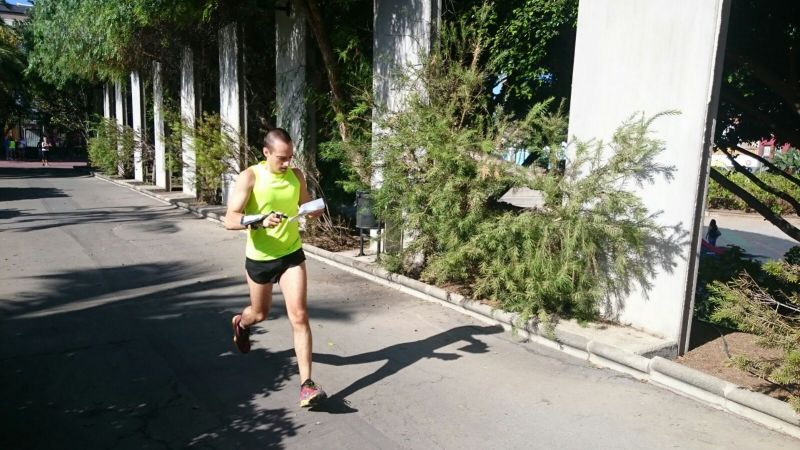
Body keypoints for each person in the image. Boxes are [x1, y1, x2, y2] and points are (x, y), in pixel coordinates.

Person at [224, 127, 327, 408]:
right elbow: (230, 219)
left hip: (291, 254)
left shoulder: (296, 176)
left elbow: (305, 205)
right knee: (259, 313)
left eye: (290, 157)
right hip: (260, 258)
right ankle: (241, 323)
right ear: (266, 153)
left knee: (300, 315)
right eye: (281, 158)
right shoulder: (251, 177)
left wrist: (313, 210)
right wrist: (258, 220)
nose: (287, 164)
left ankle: (307, 385)